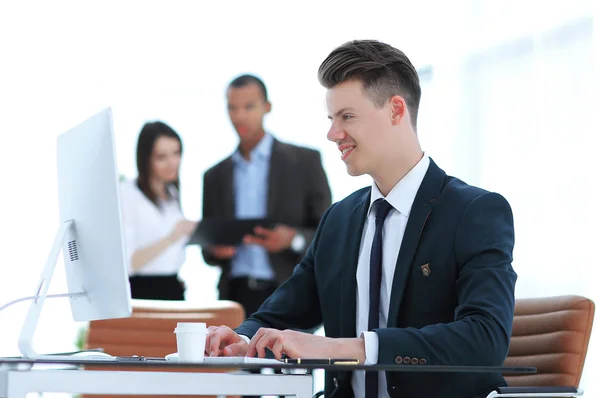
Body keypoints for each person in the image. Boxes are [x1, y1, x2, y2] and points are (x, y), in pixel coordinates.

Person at [205, 40, 517, 398]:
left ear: (396, 110)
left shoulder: (474, 212)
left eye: (347, 116)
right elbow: (284, 312)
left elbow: (485, 340)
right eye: (331, 118)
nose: (333, 133)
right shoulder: (339, 220)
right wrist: (243, 339)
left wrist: (344, 348)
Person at [202, 74, 332, 318]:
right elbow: (208, 251)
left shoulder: (304, 162)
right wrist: (216, 249)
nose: (239, 116)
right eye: (232, 108)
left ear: (267, 107)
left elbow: (329, 236)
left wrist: (293, 239)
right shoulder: (214, 176)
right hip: (234, 298)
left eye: (249, 107)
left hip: (289, 292)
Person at [121, 121, 197, 300]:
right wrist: (172, 237)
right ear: (146, 159)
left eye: (176, 153)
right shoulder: (127, 193)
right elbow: (129, 263)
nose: (172, 163)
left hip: (173, 287)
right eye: (161, 157)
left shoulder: (171, 193)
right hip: (142, 292)